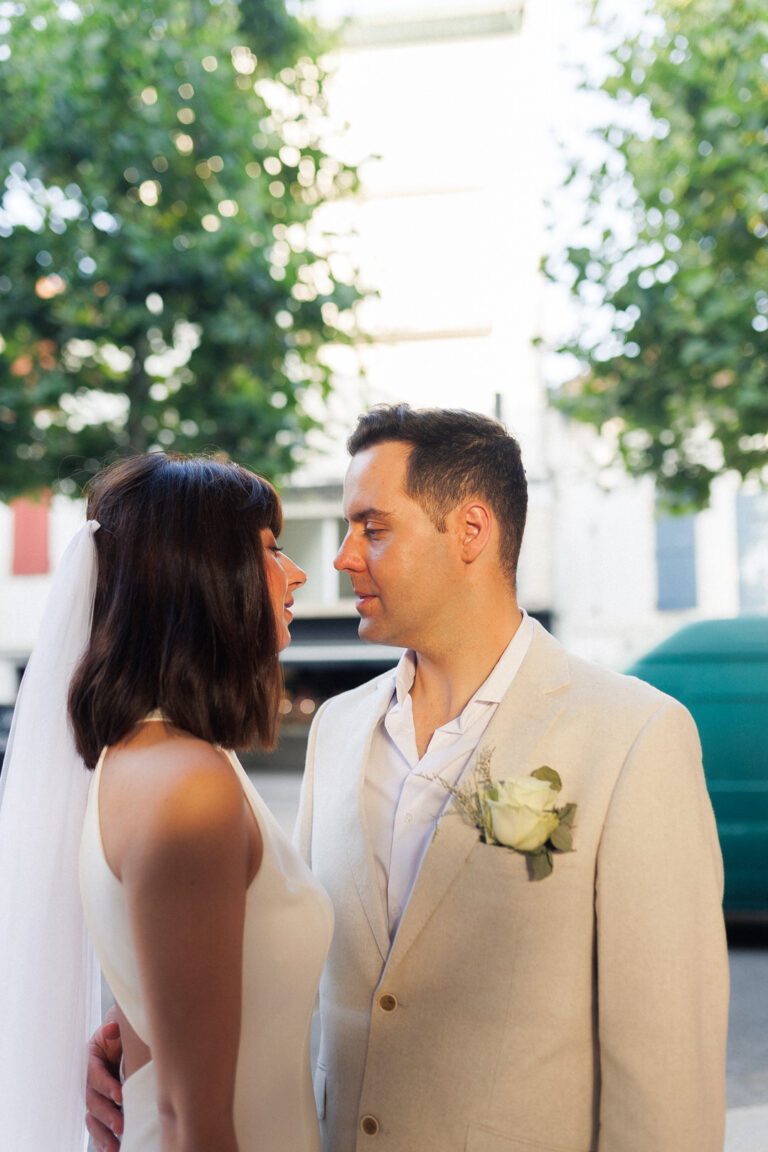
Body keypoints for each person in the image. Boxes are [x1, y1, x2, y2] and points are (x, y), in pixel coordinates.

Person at [87, 407, 729, 1152]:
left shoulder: (633, 735)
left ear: (471, 532)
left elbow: (666, 1064)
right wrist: (144, 1053)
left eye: (373, 527)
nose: (342, 557)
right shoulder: (337, 729)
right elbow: (284, 960)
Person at [0, 453, 332, 1152]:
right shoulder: (187, 788)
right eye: (270, 550)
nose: (296, 572)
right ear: (204, 577)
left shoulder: (149, 757)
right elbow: (193, 1120)